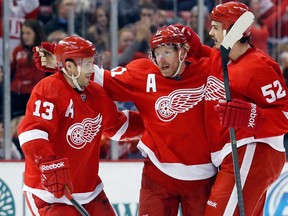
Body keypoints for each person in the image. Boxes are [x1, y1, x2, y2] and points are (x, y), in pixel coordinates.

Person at [33, 25, 215, 215]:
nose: (161, 59)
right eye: (156, 53)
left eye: (167, 52)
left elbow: (236, 63)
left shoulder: (208, 69)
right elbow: (103, 79)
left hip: (202, 176)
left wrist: (200, 47)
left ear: (183, 52)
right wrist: (62, 61)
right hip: (159, 175)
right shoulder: (144, 73)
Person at [18, 36, 144, 215]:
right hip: (47, 194)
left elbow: (116, 125)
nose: (91, 69)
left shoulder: (96, 93)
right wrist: (48, 163)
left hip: (90, 192)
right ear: (69, 67)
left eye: (92, 62)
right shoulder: (48, 89)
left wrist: (153, 122)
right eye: (86, 64)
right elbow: (32, 132)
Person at [204, 2, 288, 215]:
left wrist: (253, 116)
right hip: (236, 154)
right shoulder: (221, 56)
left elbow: (285, 115)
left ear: (231, 30)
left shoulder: (257, 67)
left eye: (215, 27)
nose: (210, 32)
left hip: (254, 150)